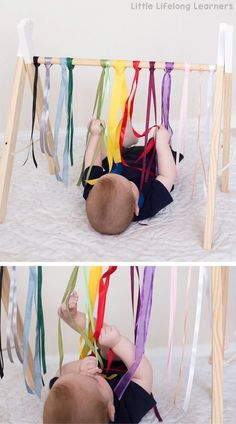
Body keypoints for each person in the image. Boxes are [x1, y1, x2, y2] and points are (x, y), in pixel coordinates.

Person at [43, 291, 162, 423]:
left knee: (102, 340)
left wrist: (79, 368)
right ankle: (107, 339)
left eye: (80, 376)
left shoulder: (68, 398)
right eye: (95, 381)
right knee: (109, 341)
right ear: (111, 412)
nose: (90, 375)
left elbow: (60, 373)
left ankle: (74, 317)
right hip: (128, 370)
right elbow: (144, 376)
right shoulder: (124, 409)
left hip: (99, 363)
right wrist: (118, 342)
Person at [82, 119, 183, 234]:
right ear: (136, 208)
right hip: (149, 162)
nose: (128, 179)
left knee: (106, 157)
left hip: (120, 161)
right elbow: (167, 175)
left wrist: (95, 136)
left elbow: (91, 164)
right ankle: (146, 141)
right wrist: (162, 144)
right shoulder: (149, 204)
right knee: (161, 145)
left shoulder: (95, 190)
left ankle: (125, 140)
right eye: (130, 184)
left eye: (110, 176)